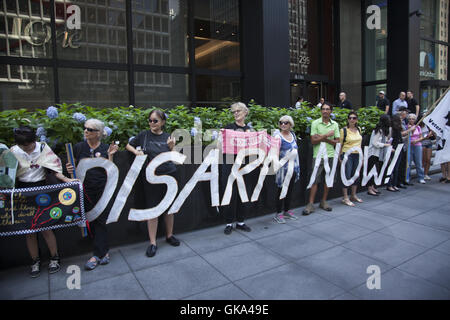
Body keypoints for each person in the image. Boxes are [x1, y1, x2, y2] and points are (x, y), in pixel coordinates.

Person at [11, 126, 75, 278]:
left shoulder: (42, 148)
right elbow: (6, 174)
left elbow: (54, 167)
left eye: (29, 145)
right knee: (29, 230)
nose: (27, 148)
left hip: (41, 189)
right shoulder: (13, 151)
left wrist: (68, 180)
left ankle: (54, 257)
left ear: (34, 140)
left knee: (46, 226)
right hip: (23, 191)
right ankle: (35, 261)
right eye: (24, 146)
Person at [66, 119, 119, 270]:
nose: (86, 131)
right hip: (85, 189)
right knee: (91, 221)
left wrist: (111, 156)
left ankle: (97, 255)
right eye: (85, 128)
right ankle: (104, 252)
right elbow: (73, 168)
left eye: (90, 129)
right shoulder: (78, 147)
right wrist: (70, 169)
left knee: (101, 220)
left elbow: (109, 169)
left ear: (98, 133)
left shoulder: (105, 148)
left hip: (103, 189)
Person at [126, 110, 178, 258]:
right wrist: (136, 152)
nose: (152, 123)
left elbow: (174, 158)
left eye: (155, 121)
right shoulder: (143, 135)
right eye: (150, 120)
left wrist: (172, 146)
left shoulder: (168, 136)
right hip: (151, 177)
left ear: (162, 122)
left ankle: (169, 235)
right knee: (152, 209)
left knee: (169, 208)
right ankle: (153, 242)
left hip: (169, 175)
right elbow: (128, 145)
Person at [220, 102, 252, 235]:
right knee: (230, 193)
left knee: (242, 192)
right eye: (234, 112)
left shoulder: (250, 130)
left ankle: (240, 221)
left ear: (245, 112)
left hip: (244, 165)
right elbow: (220, 147)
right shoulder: (229, 128)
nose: (236, 113)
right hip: (229, 164)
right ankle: (229, 223)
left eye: (238, 111)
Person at [303, 102, 340, 215]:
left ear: (331, 111)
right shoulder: (315, 123)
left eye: (327, 109)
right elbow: (313, 141)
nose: (325, 111)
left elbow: (337, 142)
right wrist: (327, 135)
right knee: (315, 180)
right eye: (323, 109)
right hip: (318, 156)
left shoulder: (335, 124)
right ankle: (310, 204)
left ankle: (323, 202)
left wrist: (322, 138)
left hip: (331, 155)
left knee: (327, 180)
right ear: (321, 111)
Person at [272, 116, 300, 223]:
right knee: (281, 191)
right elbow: (274, 153)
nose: (283, 125)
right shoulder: (277, 136)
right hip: (283, 169)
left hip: (294, 167)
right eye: (281, 123)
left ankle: (286, 211)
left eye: (286, 123)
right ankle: (278, 213)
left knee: (290, 190)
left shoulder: (293, 135)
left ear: (290, 124)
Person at [339, 111, 363, 206]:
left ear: (357, 119)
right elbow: (340, 145)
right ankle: (345, 197)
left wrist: (362, 157)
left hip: (358, 154)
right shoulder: (343, 130)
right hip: (347, 155)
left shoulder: (359, 129)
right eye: (350, 118)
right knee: (346, 175)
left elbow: (360, 144)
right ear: (347, 119)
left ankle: (353, 195)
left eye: (354, 118)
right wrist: (340, 158)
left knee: (355, 175)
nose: (352, 120)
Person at [367, 114, 392, 196]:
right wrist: (384, 145)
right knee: (371, 171)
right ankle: (369, 188)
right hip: (373, 154)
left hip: (379, 154)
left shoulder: (383, 131)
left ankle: (373, 187)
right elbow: (374, 143)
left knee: (376, 171)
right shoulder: (378, 131)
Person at [407, 114, 426, 184]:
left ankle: (421, 177)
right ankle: (407, 177)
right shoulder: (406, 127)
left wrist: (417, 140)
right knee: (408, 163)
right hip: (409, 145)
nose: (411, 120)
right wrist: (409, 130)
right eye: (410, 119)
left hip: (417, 145)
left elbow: (421, 137)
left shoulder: (418, 127)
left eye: (413, 119)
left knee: (418, 162)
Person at [386, 114, 403, 192]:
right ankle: (389, 185)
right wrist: (390, 148)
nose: (402, 119)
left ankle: (394, 184)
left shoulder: (399, 129)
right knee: (392, 168)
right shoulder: (391, 129)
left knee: (396, 168)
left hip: (399, 149)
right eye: (400, 119)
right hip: (393, 149)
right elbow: (389, 139)